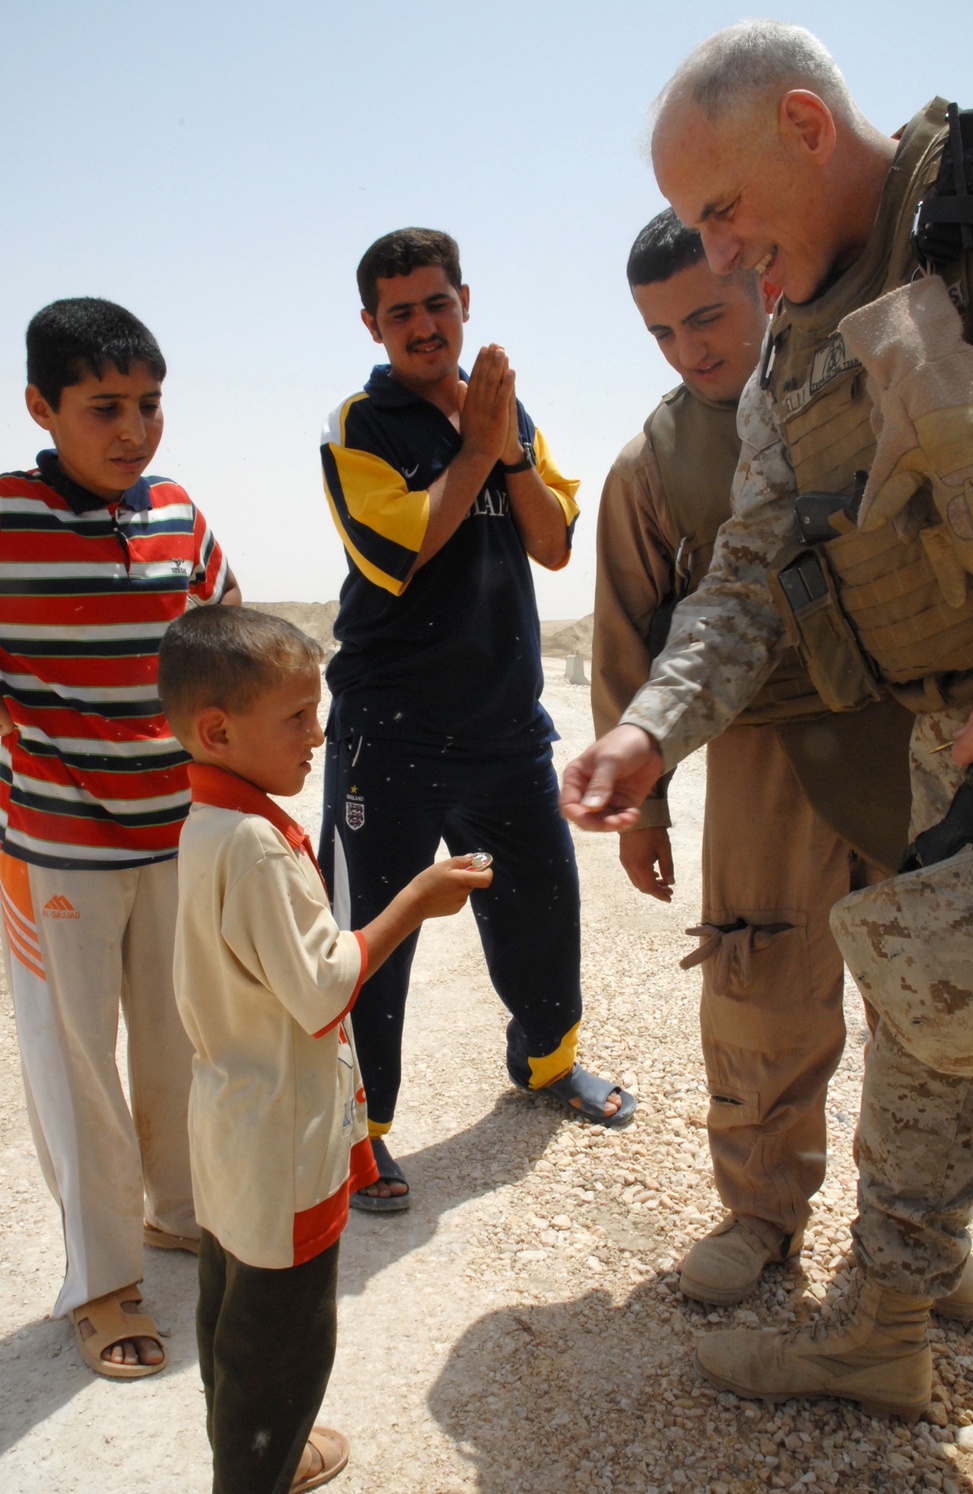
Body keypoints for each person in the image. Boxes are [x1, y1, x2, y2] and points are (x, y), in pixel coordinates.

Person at [562, 21, 973, 1418]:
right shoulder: (787, 356)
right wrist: (648, 735)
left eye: (724, 209)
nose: (722, 251)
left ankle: (896, 1292)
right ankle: (886, 1306)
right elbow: (743, 578)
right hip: (945, 754)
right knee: (940, 1022)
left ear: (809, 128)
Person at [593, 207, 914, 1305]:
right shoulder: (652, 462)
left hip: (897, 731)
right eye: (663, 333)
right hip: (760, 752)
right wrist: (643, 810)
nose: (692, 347)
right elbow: (628, 639)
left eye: (707, 315)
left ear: (757, 284)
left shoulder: (860, 383)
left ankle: (913, 1239)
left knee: (918, 995)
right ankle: (760, 1215)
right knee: (757, 988)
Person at [318, 227, 636, 1210]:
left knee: (542, 908)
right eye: (400, 310)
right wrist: (475, 449)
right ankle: (356, 1130)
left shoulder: (505, 414)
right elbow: (402, 553)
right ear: (372, 324)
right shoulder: (358, 426)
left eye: (436, 303)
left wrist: (505, 451)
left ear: (465, 304)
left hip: (504, 730)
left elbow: (549, 543)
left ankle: (545, 1063)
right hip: (391, 732)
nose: (422, 324)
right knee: (369, 939)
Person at [159, 605, 491, 1494]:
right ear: (219, 730)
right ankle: (259, 1468)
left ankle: (258, 1450)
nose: (321, 734)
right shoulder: (259, 848)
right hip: (282, 1143)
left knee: (228, 1311)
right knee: (286, 1339)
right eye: (297, 717)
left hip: (232, 1128)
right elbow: (325, 988)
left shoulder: (207, 825)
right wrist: (416, 897)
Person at [0, 297, 239, 1378]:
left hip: (175, 841)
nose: (135, 430)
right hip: (55, 855)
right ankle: (101, 1284)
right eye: (105, 407)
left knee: (181, 1041)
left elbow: (226, 648)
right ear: (41, 407)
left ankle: (180, 1212)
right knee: (76, 1069)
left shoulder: (179, 513)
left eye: (149, 405)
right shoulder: (3, 520)